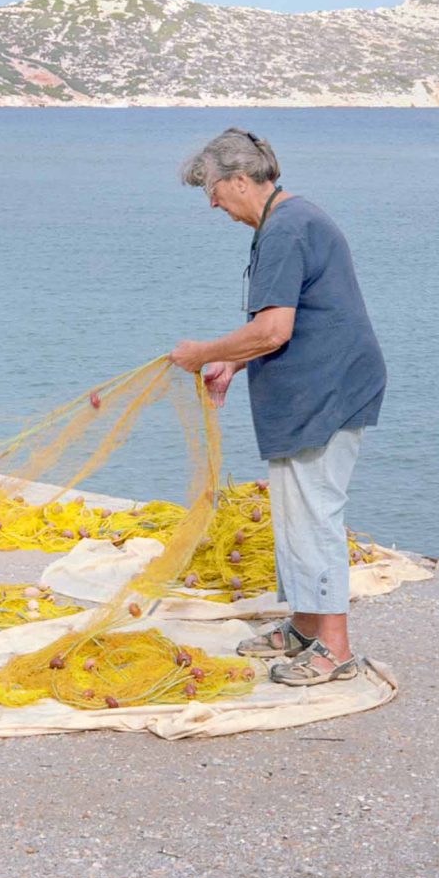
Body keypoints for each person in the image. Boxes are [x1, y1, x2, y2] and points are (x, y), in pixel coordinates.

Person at [168, 128, 386, 686]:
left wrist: (202, 354)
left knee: (313, 515)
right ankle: (304, 627)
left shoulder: (286, 230)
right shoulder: (290, 219)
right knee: (294, 513)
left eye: (214, 192)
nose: (214, 206)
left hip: (325, 390)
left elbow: (272, 329)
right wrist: (232, 364)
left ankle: (333, 649)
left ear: (240, 180)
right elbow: (280, 327)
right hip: (316, 387)